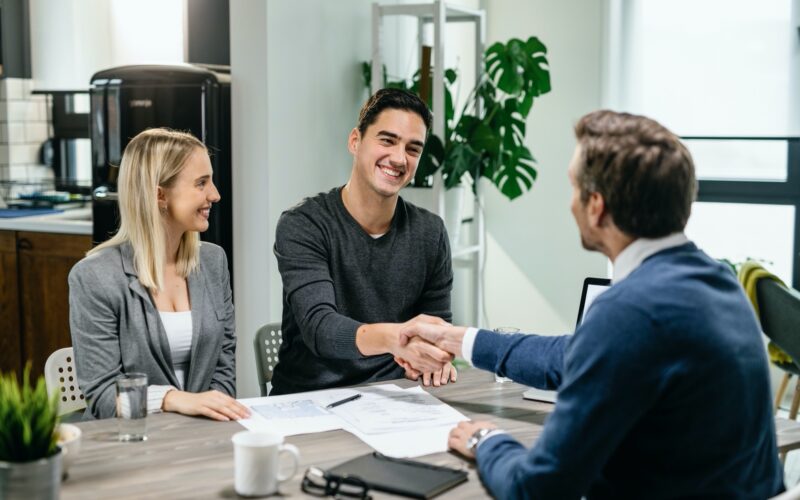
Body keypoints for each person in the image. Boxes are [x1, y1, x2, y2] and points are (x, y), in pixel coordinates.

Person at [400, 110, 784, 498]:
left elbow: (536, 490)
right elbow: (573, 355)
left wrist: (487, 440)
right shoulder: (718, 281)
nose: (571, 204)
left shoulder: (629, 312)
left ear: (596, 206)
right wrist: (457, 337)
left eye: (573, 188)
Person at [270, 88, 455, 395]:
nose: (398, 158)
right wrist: (398, 338)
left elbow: (436, 328)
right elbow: (322, 329)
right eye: (387, 140)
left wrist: (437, 355)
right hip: (311, 400)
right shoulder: (304, 224)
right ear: (355, 141)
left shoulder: (430, 232)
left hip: (397, 396)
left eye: (413, 149)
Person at [69, 128, 250, 422]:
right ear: (159, 194)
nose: (215, 195)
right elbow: (102, 398)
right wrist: (173, 399)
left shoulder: (213, 262)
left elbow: (224, 368)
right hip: (131, 443)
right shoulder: (94, 277)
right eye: (201, 183)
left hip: (204, 438)